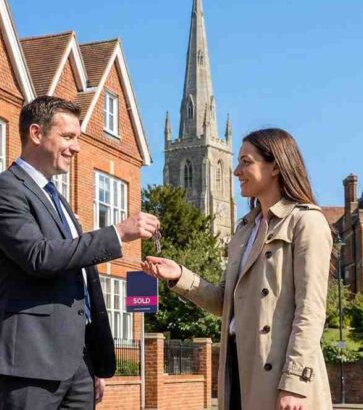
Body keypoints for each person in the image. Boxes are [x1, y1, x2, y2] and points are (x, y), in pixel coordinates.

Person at [0, 96, 159, 409]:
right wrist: (118, 233)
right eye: (68, 137)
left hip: (77, 366)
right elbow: (39, 256)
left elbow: (83, 281)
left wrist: (92, 363)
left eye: (77, 138)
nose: (76, 147)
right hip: (29, 364)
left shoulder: (57, 200)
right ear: (36, 134)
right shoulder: (3, 190)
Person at [142, 128, 333, 410]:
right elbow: (226, 302)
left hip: (280, 374)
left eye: (246, 162)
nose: (235, 171)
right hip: (237, 366)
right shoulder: (244, 229)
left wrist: (295, 383)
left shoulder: (306, 222)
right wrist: (180, 275)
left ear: (275, 167)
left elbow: (311, 311)